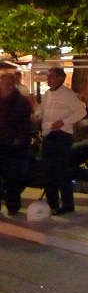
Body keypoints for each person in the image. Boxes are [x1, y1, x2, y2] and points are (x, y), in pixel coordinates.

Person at [37, 67, 87, 215]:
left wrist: (64, 122)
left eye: (51, 76)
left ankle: (67, 204)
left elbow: (81, 111)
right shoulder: (47, 94)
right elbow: (42, 110)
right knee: (48, 171)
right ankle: (52, 203)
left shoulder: (68, 94)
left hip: (62, 135)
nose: (48, 79)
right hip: (48, 134)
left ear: (59, 78)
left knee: (61, 171)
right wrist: (37, 115)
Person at [0, 73, 33, 216]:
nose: (4, 86)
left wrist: (19, 138)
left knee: (12, 177)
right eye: (3, 83)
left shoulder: (20, 101)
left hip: (13, 144)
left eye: (7, 83)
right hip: (3, 141)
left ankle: (13, 206)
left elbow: (25, 124)